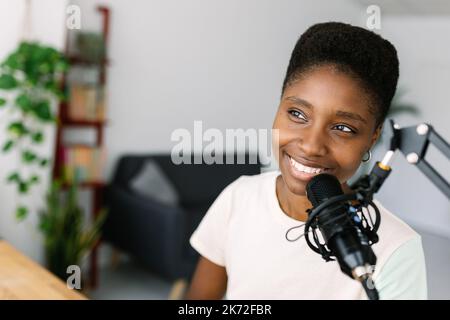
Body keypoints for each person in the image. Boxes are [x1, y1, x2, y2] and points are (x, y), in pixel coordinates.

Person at [185, 22, 427, 300]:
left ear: (373, 138)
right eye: (297, 114)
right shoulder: (239, 197)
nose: (311, 146)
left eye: (343, 128)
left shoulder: (396, 249)